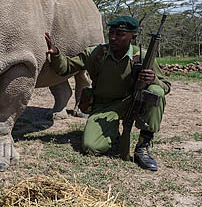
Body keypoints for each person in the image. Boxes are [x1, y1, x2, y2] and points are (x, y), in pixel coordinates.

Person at [45, 16, 171, 171]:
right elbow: (65, 68)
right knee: (91, 147)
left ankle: (143, 147)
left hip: (132, 102)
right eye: (111, 32)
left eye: (119, 34)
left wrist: (153, 79)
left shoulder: (143, 56)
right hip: (104, 106)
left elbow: (165, 86)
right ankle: (113, 133)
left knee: (155, 92)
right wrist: (56, 54)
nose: (113, 37)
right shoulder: (96, 53)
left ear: (133, 36)